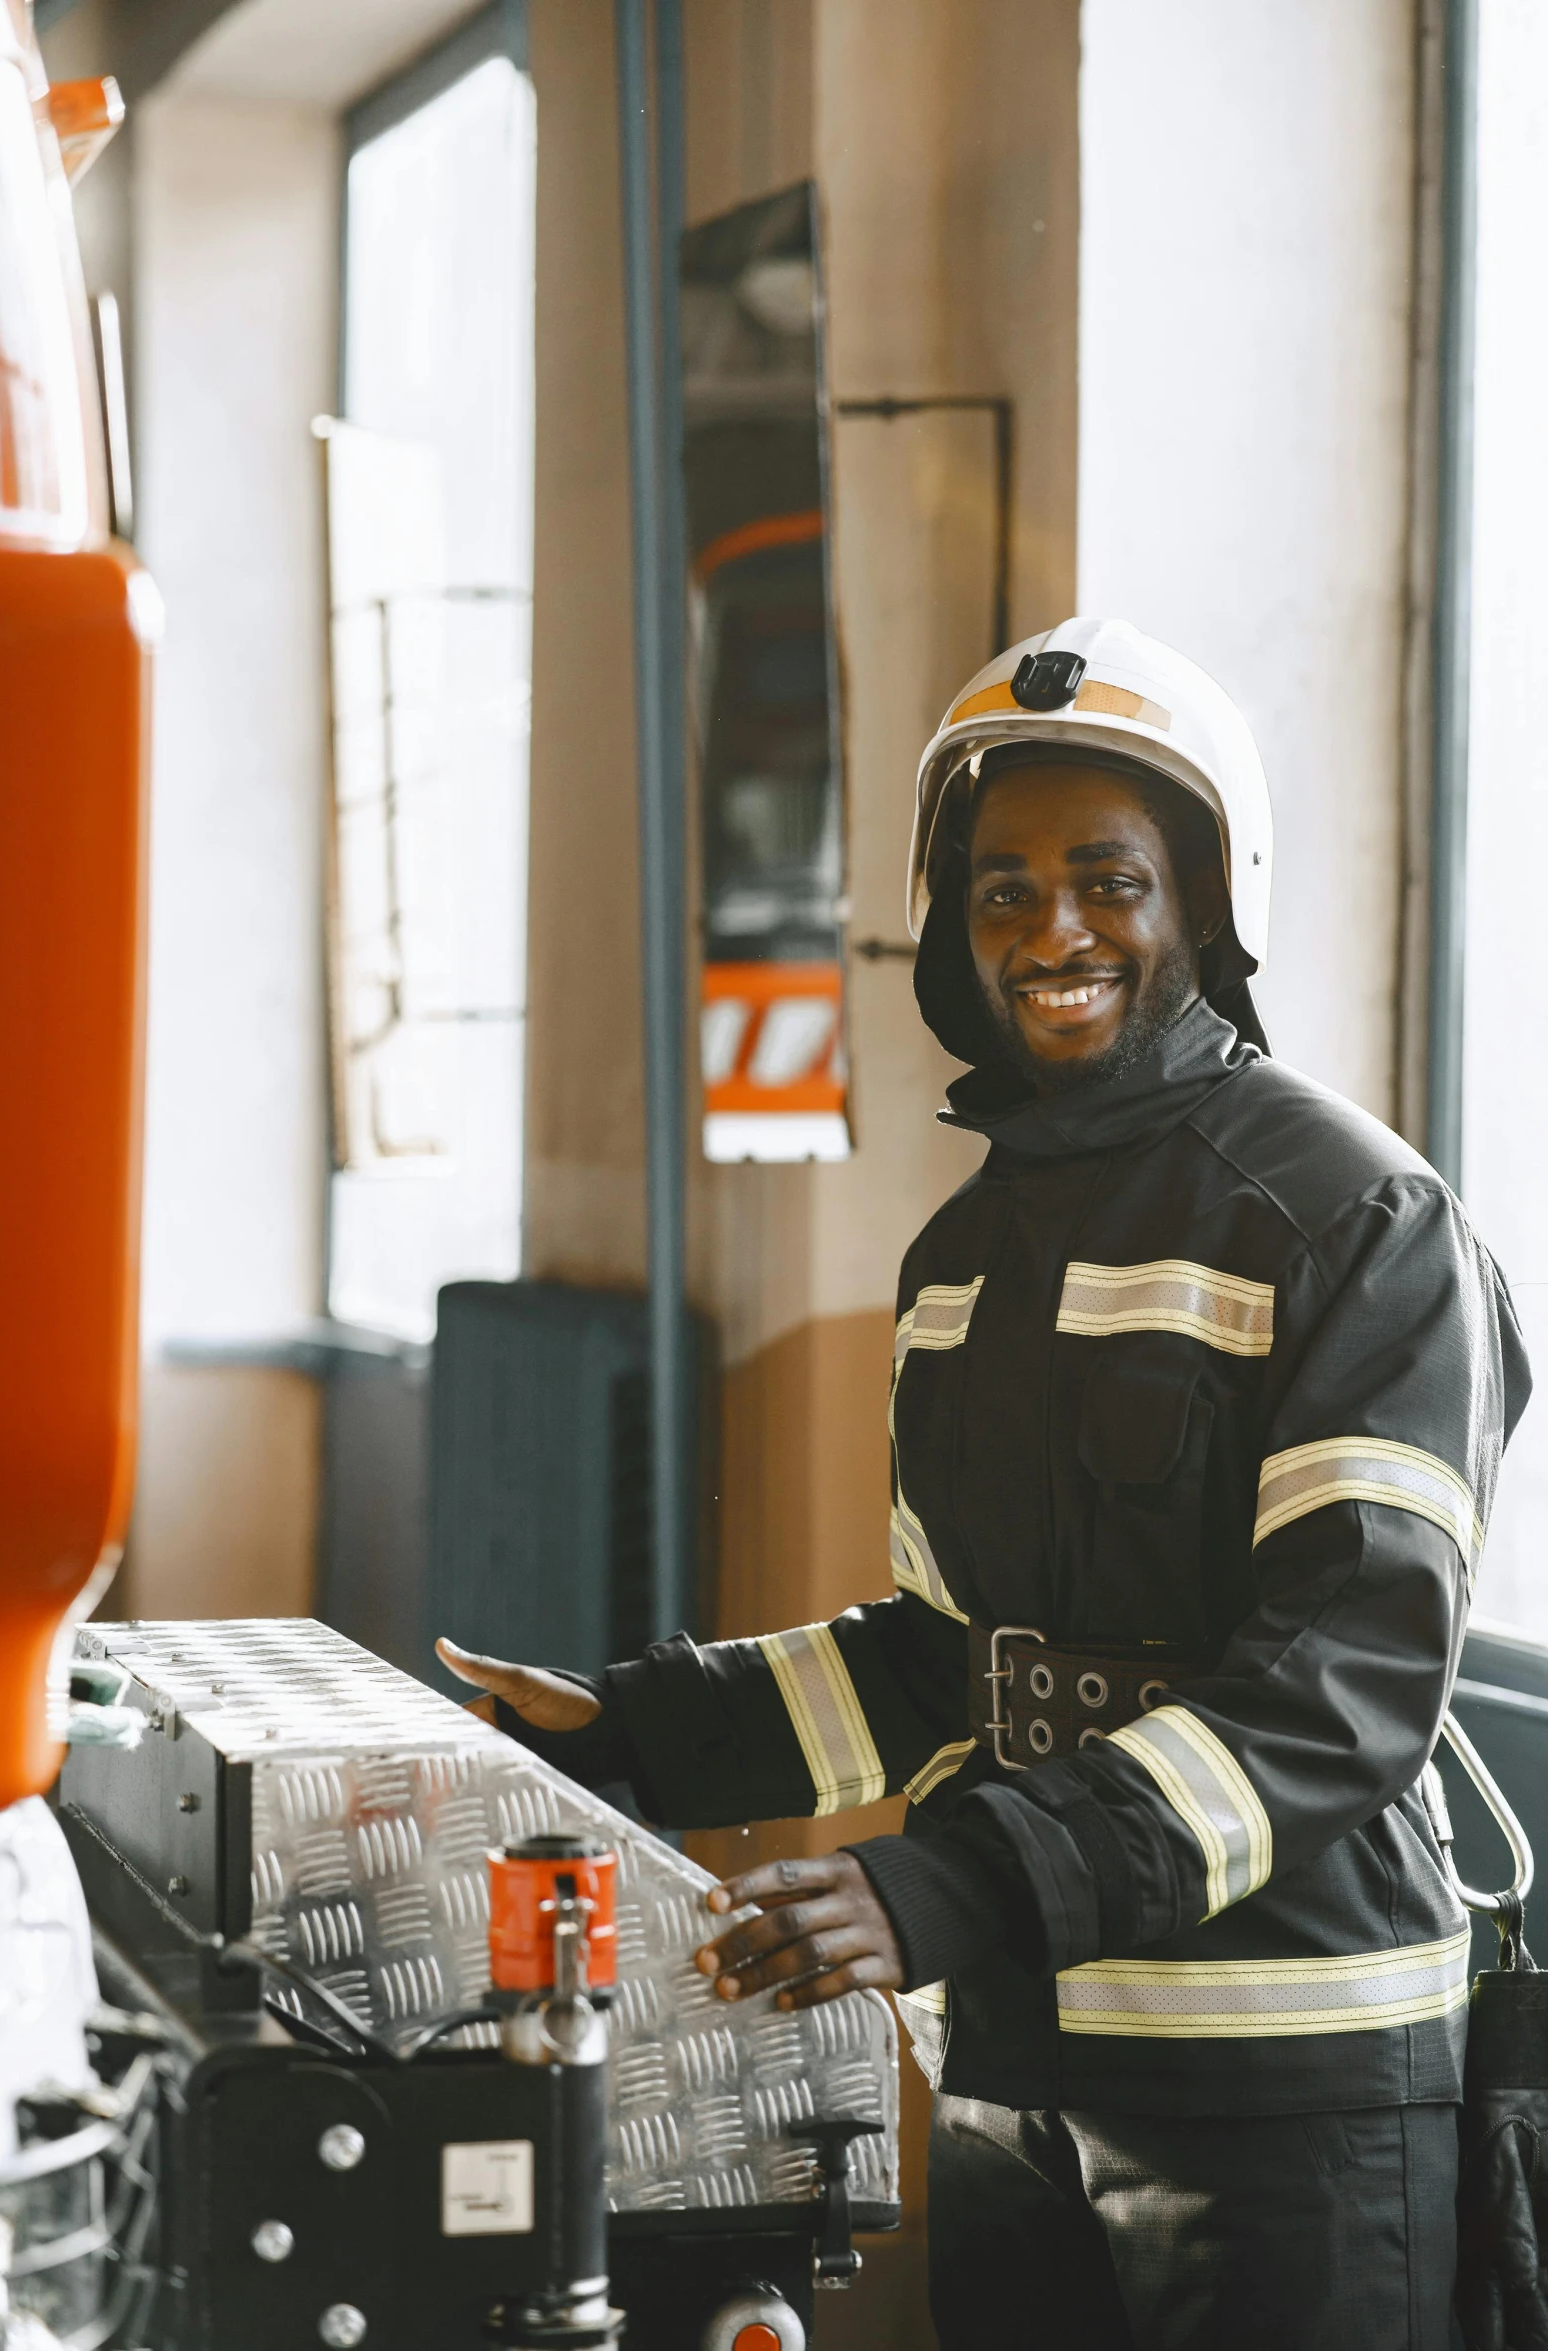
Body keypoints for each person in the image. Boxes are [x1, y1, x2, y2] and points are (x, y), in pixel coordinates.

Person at [439, 618, 1531, 2351]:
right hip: (1018, 2070)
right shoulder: (963, 1254)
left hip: (1287, 2086)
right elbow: (949, 1658)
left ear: (1205, 902)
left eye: (1108, 881)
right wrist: (626, 1732)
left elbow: (1340, 1690)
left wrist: (936, 1889)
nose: (1052, 932)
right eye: (1002, 892)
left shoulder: (1359, 1227)